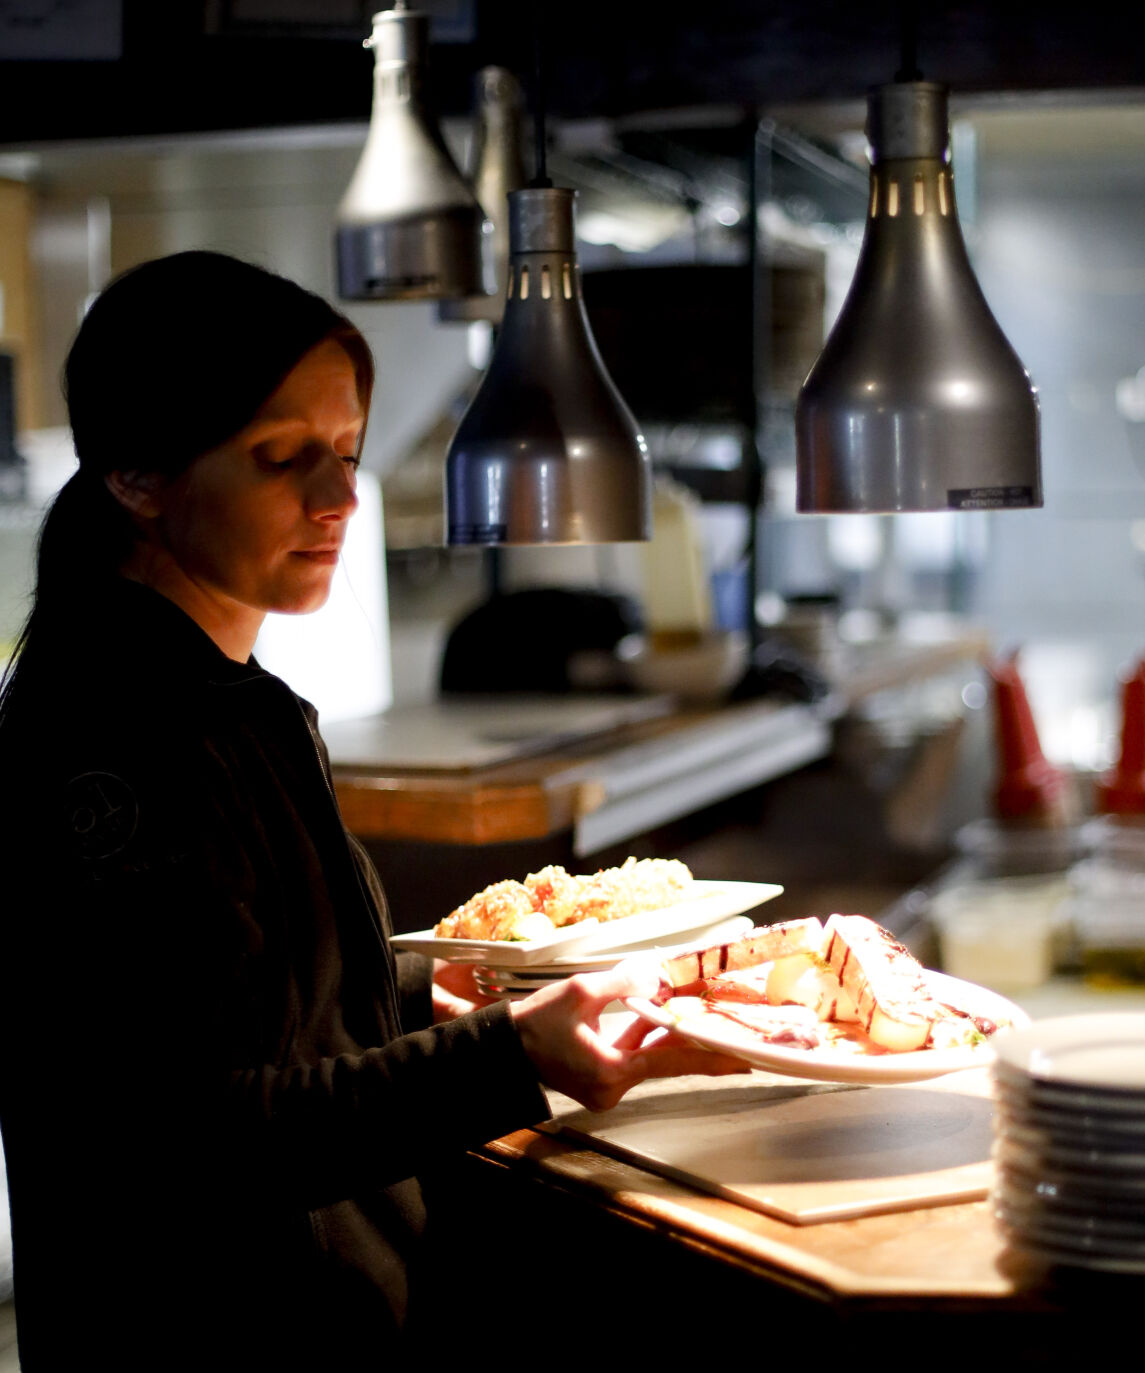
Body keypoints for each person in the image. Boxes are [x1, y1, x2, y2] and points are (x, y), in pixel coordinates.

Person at [0, 251, 742, 1370]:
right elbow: (201, 1133)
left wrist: (443, 981)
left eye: (344, 451)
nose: (341, 496)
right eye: (282, 456)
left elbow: (263, 994)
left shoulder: (219, 694)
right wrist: (512, 1055)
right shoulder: (117, 741)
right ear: (138, 476)